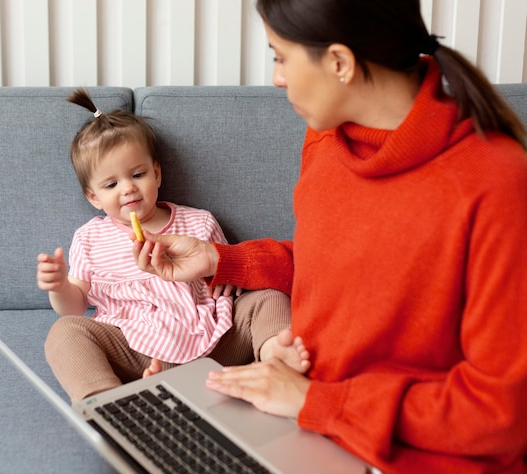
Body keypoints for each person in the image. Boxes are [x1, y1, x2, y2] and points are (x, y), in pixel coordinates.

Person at [132, 1, 527, 472]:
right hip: (308, 425)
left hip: (411, 456)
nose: (277, 77)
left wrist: (316, 400)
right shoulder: (326, 140)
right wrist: (220, 261)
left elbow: (500, 415)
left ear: (340, 62)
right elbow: (354, 264)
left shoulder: (496, 180)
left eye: (279, 56)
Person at [37, 88, 307, 403]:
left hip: (212, 342)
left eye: (137, 174)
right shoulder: (89, 238)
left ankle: (275, 359)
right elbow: (76, 305)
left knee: (268, 298)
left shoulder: (200, 223)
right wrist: (58, 286)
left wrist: (230, 282)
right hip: (135, 350)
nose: (127, 188)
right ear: (93, 197)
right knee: (65, 332)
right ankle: (108, 404)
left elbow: (228, 272)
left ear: (157, 173)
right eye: (111, 184)